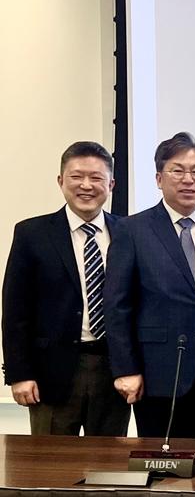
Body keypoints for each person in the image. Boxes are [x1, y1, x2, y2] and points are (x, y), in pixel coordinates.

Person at [103, 132, 195, 438]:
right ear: (158, 178)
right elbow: (117, 306)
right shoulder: (132, 230)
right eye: (177, 170)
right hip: (158, 375)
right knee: (160, 468)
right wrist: (126, 369)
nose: (188, 179)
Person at [2, 141, 130, 435]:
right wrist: (19, 374)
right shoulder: (31, 234)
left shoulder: (128, 233)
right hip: (51, 374)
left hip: (113, 371)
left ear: (110, 183)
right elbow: (15, 311)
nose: (86, 185)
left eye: (96, 177)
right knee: (50, 467)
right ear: (61, 181)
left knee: (108, 467)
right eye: (77, 176)